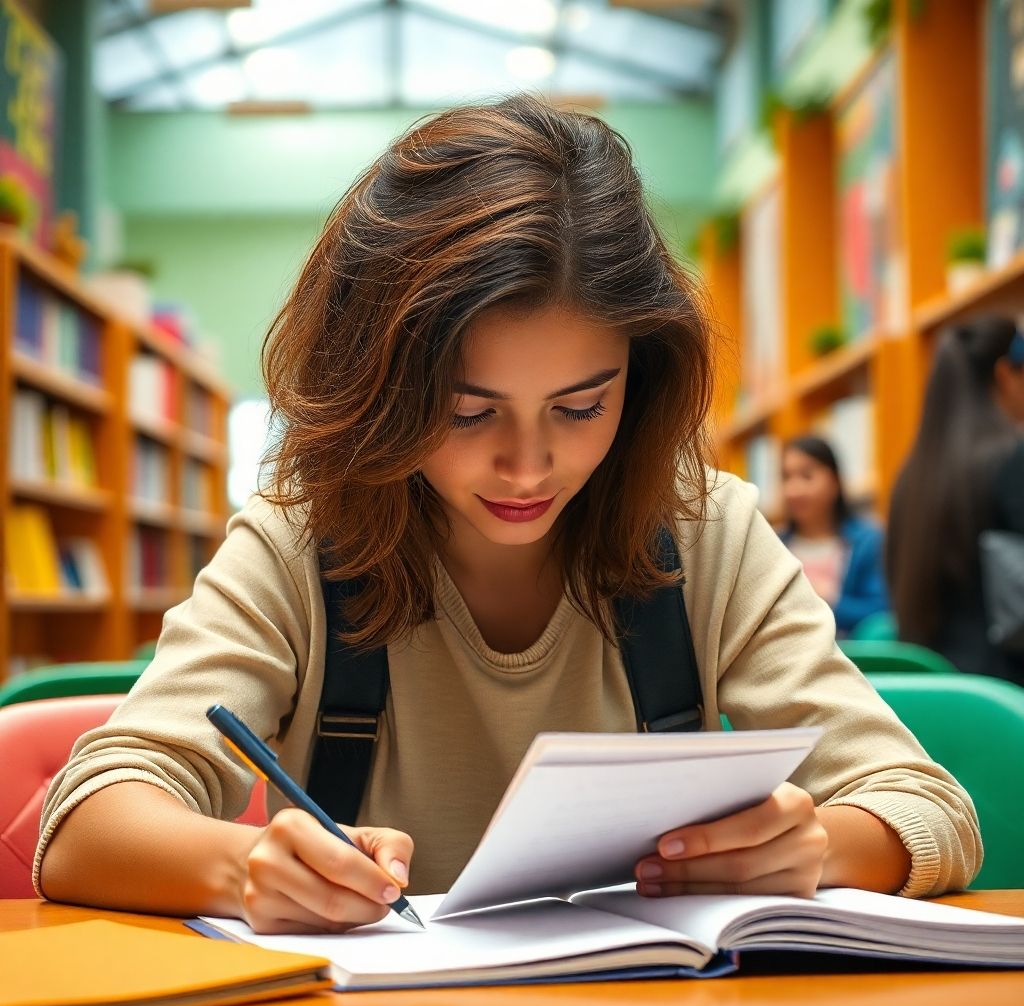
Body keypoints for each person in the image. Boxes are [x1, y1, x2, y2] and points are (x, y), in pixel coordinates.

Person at [36, 96, 979, 935]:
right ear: (377, 387)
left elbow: (927, 808)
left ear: (640, 381)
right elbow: (85, 820)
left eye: (581, 407)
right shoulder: (298, 537)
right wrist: (245, 869)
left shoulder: (705, 529)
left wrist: (817, 845)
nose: (528, 465)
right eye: (466, 411)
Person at [888, 316, 1024, 685]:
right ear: (1005, 375)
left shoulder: (909, 477)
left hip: (935, 697)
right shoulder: (1012, 460)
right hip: (1007, 698)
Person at [779, 436, 889, 637]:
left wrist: (830, 598)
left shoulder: (869, 541)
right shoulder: (773, 545)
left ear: (835, 481)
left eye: (807, 476)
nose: (793, 489)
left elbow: (881, 613)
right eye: (786, 477)